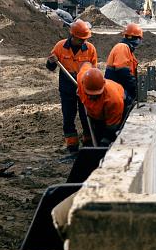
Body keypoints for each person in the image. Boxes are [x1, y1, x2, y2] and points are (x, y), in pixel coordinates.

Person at [46, 19, 98, 155]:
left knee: (86, 116)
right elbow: (50, 67)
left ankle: (89, 143)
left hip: (84, 88)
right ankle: (72, 147)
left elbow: (94, 71)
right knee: (68, 117)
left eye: (85, 39)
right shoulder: (60, 46)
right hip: (67, 88)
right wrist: (51, 62)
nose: (83, 42)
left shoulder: (90, 49)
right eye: (81, 39)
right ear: (72, 36)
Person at [77, 64, 125, 146]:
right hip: (97, 112)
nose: (90, 97)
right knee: (97, 132)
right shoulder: (82, 79)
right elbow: (86, 65)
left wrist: (105, 142)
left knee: (110, 137)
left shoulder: (114, 100)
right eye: (88, 94)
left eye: (95, 95)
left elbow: (112, 126)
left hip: (117, 108)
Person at [105, 23, 142, 104]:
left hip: (118, 89)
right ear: (136, 38)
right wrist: (134, 89)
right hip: (116, 91)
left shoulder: (127, 49)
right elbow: (123, 72)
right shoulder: (122, 47)